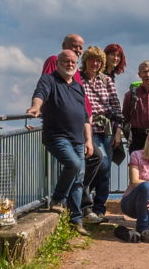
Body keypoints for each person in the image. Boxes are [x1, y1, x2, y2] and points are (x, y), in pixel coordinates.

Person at [27, 49, 94, 235]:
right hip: (57, 136)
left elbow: (85, 117)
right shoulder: (49, 80)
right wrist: (35, 107)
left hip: (78, 139)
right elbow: (40, 93)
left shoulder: (78, 87)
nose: (70, 64)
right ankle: (58, 199)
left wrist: (89, 140)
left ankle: (76, 220)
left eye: (73, 62)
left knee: (78, 181)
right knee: (73, 164)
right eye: (66, 61)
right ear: (58, 63)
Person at [78, 45, 124, 223]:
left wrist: (119, 130)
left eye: (98, 61)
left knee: (105, 171)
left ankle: (99, 209)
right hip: (88, 129)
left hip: (107, 130)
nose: (95, 63)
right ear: (85, 60)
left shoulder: (106, 80)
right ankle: (86, 204)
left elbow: (116, 106)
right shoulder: (79, 79)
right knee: (101, 162)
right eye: (91, 59)